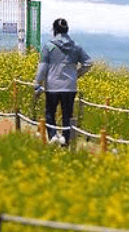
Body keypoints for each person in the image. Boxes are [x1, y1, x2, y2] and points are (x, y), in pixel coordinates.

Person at [33, 18, 92, 146]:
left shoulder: (48, 46)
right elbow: (88, 63)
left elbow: (42, 67)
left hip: (52, 86)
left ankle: (53, 135)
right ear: (67, 30)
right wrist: (75, 74)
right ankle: (65, 139)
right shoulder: (76, 46)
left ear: (54, 30)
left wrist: (37, 83)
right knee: (67, 113)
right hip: (69, 87)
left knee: (50, 112)